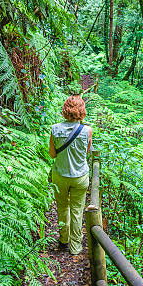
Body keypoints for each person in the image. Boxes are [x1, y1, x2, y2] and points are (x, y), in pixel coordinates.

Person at [49, 95, 92, 255]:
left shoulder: (55, 129)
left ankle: (63, 239)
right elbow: (86, 152)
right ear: (82, 111)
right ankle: (75, 247)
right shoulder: (87, 130)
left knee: (62, 207)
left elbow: (52, 154)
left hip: (60, 175)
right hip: (80, 176)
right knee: (77, 210)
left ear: (65, 110)